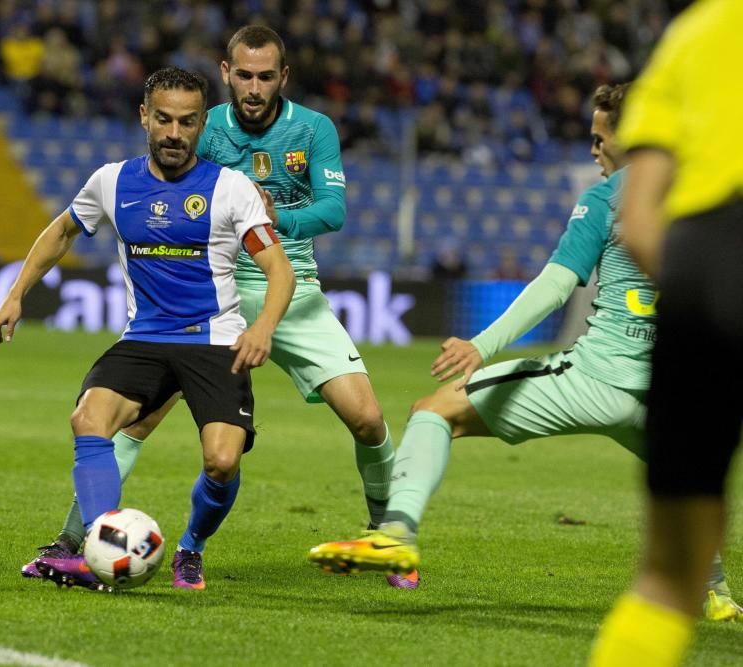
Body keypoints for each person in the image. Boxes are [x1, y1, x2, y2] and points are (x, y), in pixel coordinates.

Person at [308, 82, 743, 618]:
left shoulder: (611, 197)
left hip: (595, 380)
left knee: (434, 410)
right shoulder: (712, 191)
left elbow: (555, 286)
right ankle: (716, 594)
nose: (592, 149)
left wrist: (481, 344)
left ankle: (394, 533)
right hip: (668, 393)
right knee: (687, 480)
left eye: (598, 136)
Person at [23, 25, 400, 589]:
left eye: (265, 77)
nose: (253, 87)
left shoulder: (314, 129)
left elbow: (333, 211)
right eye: (243, 75)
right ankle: (75, 541)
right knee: (132, 423)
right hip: (208, 291)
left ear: (282, 78)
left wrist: (276, 220)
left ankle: (385, 538)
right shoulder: (198, 122)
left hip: (287, 286)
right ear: (226, 74)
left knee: (368, 418)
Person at [0, 67, 295, 591]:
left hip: (215, 340)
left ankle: (190, 549)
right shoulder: (111, 181)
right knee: (88, 418)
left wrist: (262, 327)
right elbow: (61, 231)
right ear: (145, 117)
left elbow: (279, 269)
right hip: (146, 339)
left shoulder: (230, 188)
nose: (174, 133)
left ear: (202, 125)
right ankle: (94, 550)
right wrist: (16, 294)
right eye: (164, 120)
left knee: (222, 462)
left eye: (188, 122)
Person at [590, 2, 743, 664]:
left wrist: (694, 303)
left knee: (667, 578)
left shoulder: (697, 34)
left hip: (704, 269)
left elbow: (639, 217)